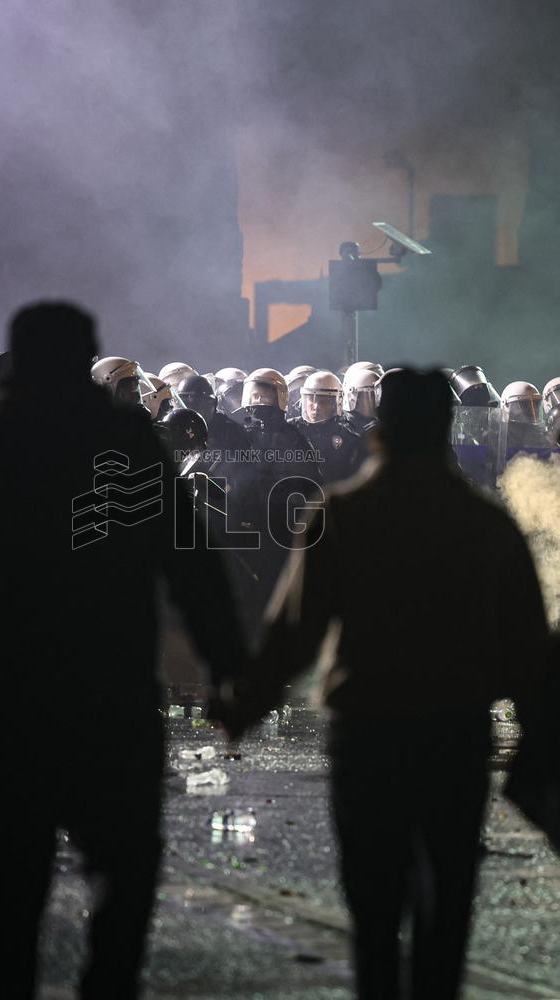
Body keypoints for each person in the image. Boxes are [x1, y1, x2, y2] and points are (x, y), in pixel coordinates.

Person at [0, 301, 244, 1000]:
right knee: (123, 874)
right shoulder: (128, 439)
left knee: (11, 887)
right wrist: (229, 671)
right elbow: (194, 568)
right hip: (111, 696)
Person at [216, 368, 548, 1000]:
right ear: (445, 428)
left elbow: (294, 631)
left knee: (373, 907)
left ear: (379, 430)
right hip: (453, 731)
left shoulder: (343, 514)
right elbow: (527, 645)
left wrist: (244, 705)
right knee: (445, 904)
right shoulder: (484, 524)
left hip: (367, 732)